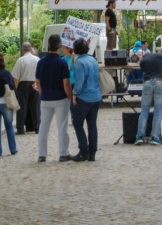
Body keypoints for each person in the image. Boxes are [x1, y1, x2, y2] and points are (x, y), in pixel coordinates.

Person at [35, 34, 73, 162]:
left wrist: (42, 93)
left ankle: (42, 154)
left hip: (46, 98)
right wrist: (69, 96)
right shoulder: (62, 62)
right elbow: (66, 83)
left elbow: (38, 81)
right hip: (60, 98)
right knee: (62, 126)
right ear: (60, 46)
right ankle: (63, 153)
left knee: (44, 126)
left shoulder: (40, 62)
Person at [71, 38, 102, 161]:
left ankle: (83, 150)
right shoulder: (93, 60)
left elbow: (79, 81)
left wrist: (74, 93)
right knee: (92, 125)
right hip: (96, 96)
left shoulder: (79, 62)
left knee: (77, 123)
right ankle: (92, 152)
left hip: (84, 97)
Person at [135, 46, 162, 146]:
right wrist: (161, 72)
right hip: (160, 82)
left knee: (144, 111)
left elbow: (145, 73)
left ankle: (139, 136)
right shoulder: (161, 56)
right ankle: (155, 137)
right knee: (158, 111)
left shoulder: (142, 61)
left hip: (147, 83)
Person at [12, 41, 40, 134]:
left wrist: (15, 90)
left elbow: (16, 77)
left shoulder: (21, 60)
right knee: (35, 106)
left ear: (22, 49)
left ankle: (20, 128)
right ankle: (37, 127)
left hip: (23, 85)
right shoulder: (37, 59)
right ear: (31, 49)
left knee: (22, 107)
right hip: (35, 84)